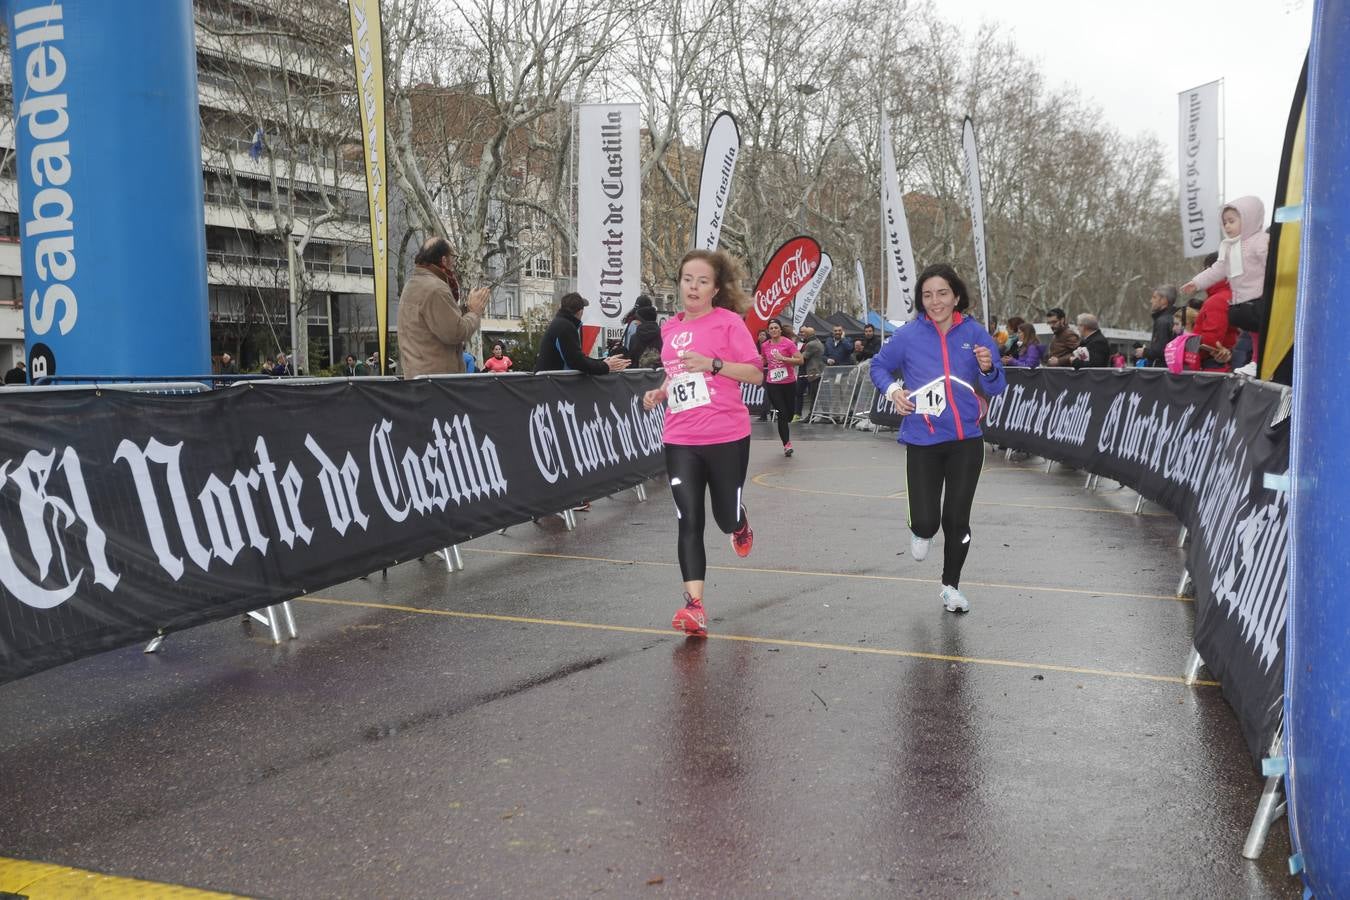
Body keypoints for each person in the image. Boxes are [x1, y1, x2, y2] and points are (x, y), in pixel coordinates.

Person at [869, 263, 1006, 613]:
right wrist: (893, 390)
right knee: (929, 522)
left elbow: (998, 385)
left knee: (957, 519)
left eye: (942, 293)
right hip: (922, 439)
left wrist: (988, 368)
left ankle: (951, 586)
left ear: (956, 296)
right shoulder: (908, 336)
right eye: (927, 295)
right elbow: (878, 367)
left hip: (966, 441)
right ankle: (920, 528)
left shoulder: (975, 334)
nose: (935, 301)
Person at [641, 249, 764, 638]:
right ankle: (694, 606)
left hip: (726, 435)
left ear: (715, 288)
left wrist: (713, 365)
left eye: (702, 281)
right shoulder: (670, 328)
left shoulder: (728, 323)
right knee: (688, 519)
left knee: (724, 517)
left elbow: (756, 374)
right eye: (687, 279)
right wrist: (661, 392)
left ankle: (739, 522)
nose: (693, 287)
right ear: (679, 283)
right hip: (680, 437)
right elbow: (676, 373)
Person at [396, 236, 490, 377]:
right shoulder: (436, 289)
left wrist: (466, 308)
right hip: (439, 383)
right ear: (444, 260)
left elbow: (442, 322)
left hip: (420, 379)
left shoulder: (413, 284)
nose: (454, 262)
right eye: (453, 256)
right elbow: (456, 332)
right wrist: (474, 312)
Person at [1181, 195, 1270, 339]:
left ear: (1248, 219)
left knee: (1261, 332)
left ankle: (1257, 358)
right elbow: (1218, 268)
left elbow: (1270, 265)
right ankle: (1255, 359)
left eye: (1231, 221)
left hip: (1260, 295)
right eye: (1225, 222)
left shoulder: (1260, 241)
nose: (1227, 226)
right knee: (1253, 332)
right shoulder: (1230, 247)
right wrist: (1197, 282)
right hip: (1242, 299)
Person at [535, 292, 632, 374]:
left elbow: (577, 358)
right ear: (580, 311)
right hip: (553, 384)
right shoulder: (565, 326)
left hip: (549, 382)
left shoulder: (560, 323)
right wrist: (605, 366)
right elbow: (576, 361)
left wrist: (603, 362)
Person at [760, 318, 803, 456]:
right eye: (771, 328)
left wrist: (784, 359)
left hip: (789, 383)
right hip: (773, 384)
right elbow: (763, 359)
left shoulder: (788, 343)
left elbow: (800, 360)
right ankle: (787, 445)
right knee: (782, 414)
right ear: (768, 331)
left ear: (780, 329)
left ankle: (787, 435)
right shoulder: (765, 345)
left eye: (775, 328)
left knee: (789, 414)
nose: (773, 330)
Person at [1193, 253, 1238, 371]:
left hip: (1214, 367)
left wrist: (1187, 343)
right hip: (1227, 364)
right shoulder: (1232, 294)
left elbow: (1211, 341)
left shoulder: (1217, 300)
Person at [1135, 286, 1178, 367]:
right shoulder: (1176, 317)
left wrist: (1144, 352)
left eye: (1154, 297)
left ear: (1164, 300)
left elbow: (1160, 351)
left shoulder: (1162, 321)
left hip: (1162, 371)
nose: (1151, 301)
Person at [796, 325, 825, 418]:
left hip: (813, 372)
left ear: (808, 335)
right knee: (814, 395)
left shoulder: (811, 344)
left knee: (814, 395)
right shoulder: (817, 342)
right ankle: (813, 414)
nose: (802, 334)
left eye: (804, 333)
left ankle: (811, 415)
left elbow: (802, 357)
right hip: (813, 372)